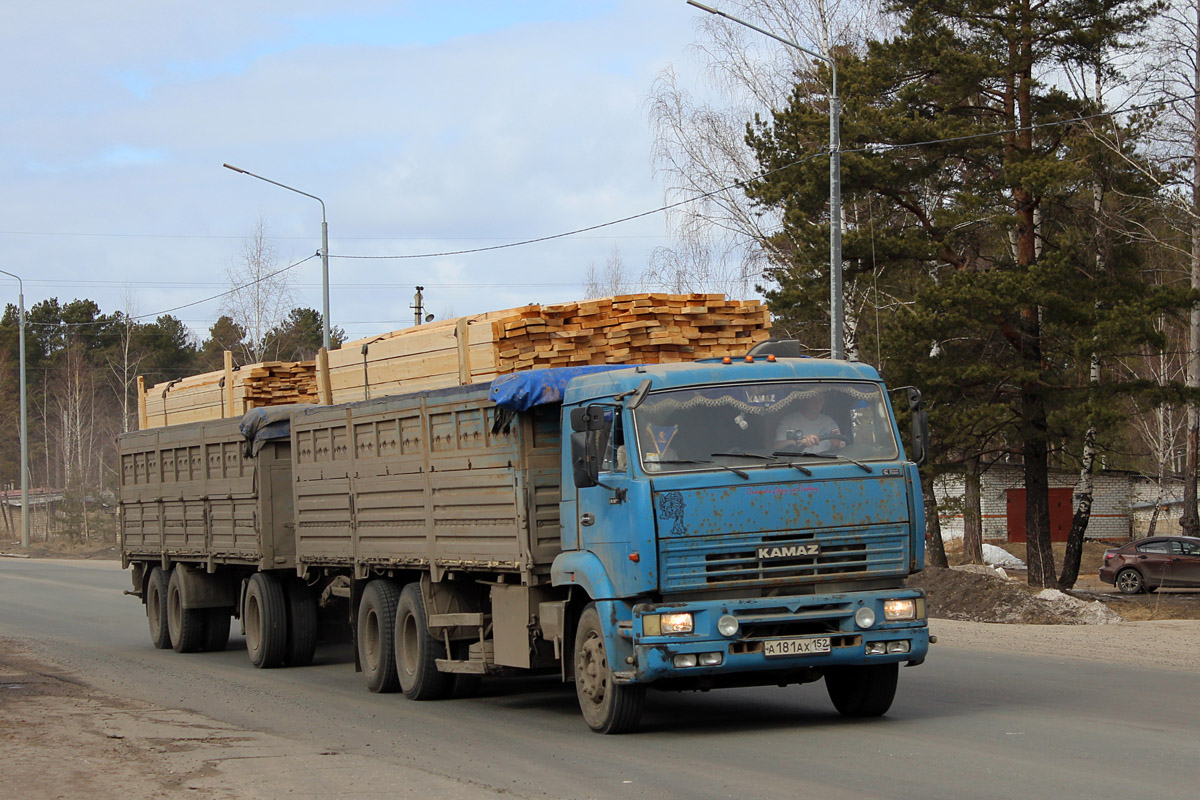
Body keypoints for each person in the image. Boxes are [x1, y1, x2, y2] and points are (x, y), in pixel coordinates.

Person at [774, 391, 844, 452]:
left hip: (827, 464)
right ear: (805, 399)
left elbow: (844, 449)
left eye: (821, 400)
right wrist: (800, 442)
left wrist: (836, 444)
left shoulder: (829, 422)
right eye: (814, 399)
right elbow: (776, 446)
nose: (818, 403)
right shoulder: (788, 421)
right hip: (798, 464)